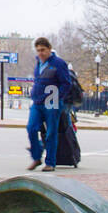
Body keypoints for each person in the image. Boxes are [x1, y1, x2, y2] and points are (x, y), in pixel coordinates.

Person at [26, 37, 75, 171]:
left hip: (52, 103)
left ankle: (50, 163)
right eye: (38, 51)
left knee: (51, 133)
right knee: (31, 128)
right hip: (37, 102)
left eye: (43, 50)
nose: (40, 53)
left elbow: (66, 83)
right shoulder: (38, 63)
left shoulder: (58, 63)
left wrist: (58, 98)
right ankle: (36, 156)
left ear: (49, 49)